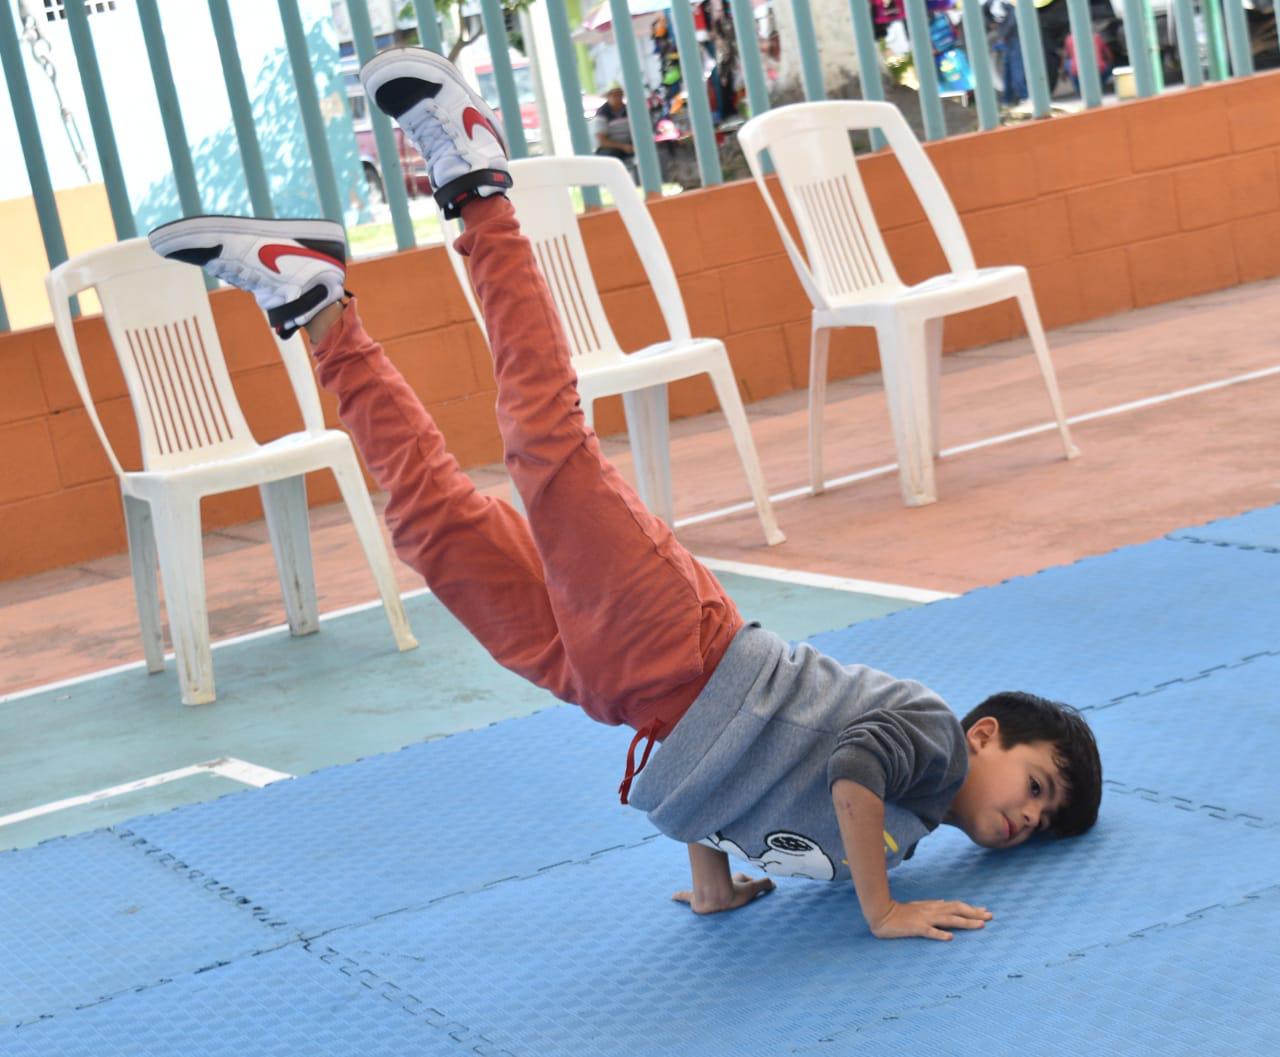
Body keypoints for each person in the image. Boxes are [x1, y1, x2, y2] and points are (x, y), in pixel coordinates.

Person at [148, 47, 1102, 942]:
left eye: (1043, 819)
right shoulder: (929, 744)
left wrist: (718, 879)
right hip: (676, 647)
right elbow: (843, 770)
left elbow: (730, 774)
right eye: (1038, 783)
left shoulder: (912, 824)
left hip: (619, 689)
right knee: (544, 442)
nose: (1029, 813)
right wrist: (881, 908)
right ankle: (478, 181)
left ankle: (315, 304)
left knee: (430, 526)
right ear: (988, 734)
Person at [591, 82, 635, 165]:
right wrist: (623, 147)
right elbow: (602, 141)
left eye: (620, 95)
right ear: (608, 96)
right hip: (611, 148)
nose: (618, 98)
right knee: (611, 159)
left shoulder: (628, 110)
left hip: (629, 145)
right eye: (615, 95)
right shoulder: (602, 113)